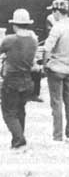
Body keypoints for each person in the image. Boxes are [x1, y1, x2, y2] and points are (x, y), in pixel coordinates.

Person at [42, 0, 69, 142]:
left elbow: (47, 48)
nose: (52, 14)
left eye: (53, 11)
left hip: (56, 68)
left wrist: (45, 65)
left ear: (57, 11)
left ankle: (57, 136)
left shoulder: (57, 27)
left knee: (56, 102)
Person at [0, 9, 38, 149]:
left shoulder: (10, 40)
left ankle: (19, 139)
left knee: (9, 113)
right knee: (20, 110)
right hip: (27, 81)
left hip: (12, 81)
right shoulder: (33, 41)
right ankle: (17, 142)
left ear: (14, 24)